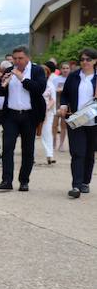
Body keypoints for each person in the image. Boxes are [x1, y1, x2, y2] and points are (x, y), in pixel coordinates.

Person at [0, 46, 47, 192]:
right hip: (11, 115)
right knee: (7, 148)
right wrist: (1, 83)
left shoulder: (37, 71)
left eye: (20, 58)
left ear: (28, 58)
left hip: (29, 115)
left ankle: (24, 181)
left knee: (28, 150)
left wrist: (22, 78)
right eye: (15, 58)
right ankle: (6, 180)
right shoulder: (9, 70)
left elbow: (39, 89)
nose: (17, 61)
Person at [59, 48, 97, 198]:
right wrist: (63, 105)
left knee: (89, 154)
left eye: (88, 59)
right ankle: (76, 185)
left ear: (95, 61)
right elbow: (65, 95)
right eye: (82, 60)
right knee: (77, 153)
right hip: (76, 120)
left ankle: (85, 182)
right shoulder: (74, 76)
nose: (85, 62)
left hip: (94, 122)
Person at [40, 64, 57, 165]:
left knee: (47, 132)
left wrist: (46, 109)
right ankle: (30, 156)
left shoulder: (50, 84)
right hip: (35, 111)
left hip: (48, 111)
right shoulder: (35, 83)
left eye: (45, 72)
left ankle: (49, 155)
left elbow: (53, 99)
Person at [53, 61, 71, 152]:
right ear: (60, 69)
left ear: (70, 69)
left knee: (63, 125)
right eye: (63, 68)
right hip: (56, 103)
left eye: (67, 68)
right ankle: (54, 142)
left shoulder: (72, 79)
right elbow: (51, 90)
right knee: (54, 125)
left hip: (67, 105)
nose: (65, 70)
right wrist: (58, 90)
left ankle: (61, 144)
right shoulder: (56, 79)